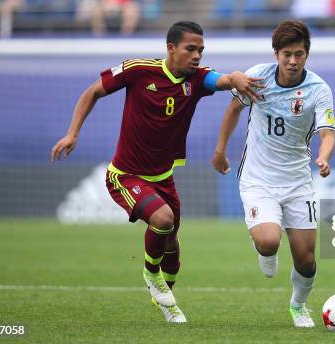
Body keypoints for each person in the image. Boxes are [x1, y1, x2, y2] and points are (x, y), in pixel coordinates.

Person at [51, 21, 263, 323]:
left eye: (201, 50)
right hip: (124, 176)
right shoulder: (139, 70)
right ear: (171, 48)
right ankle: (151, 275)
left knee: (172, 246)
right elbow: (92, 92)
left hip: (163, 179)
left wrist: (238, 77)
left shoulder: (198, 80)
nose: (197, 56)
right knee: (162, 220)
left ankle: (165, 299)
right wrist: (72, 134)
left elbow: (225, 79)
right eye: (191, 49)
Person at [211, 20, 335, 328]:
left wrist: (323, 156)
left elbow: (328, 134)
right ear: (276, 53)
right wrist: (220, 150)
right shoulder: (257, 77)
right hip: (258, 179)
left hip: (297, 182)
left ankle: (298, 305)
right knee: (269, 242)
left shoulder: (319, 90)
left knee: (306, 259)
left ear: (307, 54)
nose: (293, 61)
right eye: (287, 54)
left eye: (299, 54)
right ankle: (264, 246)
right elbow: (233, 110)